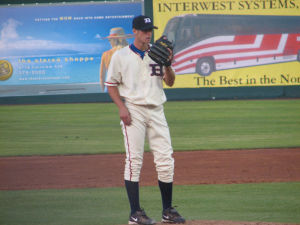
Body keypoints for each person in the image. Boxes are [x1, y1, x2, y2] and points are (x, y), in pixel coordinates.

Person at [105, 15, 185, 225]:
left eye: (150, 30)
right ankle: (135, 213)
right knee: (134, 161)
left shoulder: (158, 53)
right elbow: (111, 85)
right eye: (144, 30)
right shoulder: (120, 56)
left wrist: (168, 64)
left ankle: (167, 211)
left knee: (166, 160)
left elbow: (170, 82)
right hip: (134, 111)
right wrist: (121, 108)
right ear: (134, 31)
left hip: (157, 109)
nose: (148, 33)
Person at [99, 27, 132, 92]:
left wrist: (103, 91)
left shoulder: (106, 54)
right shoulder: (130, 52)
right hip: (127, 87)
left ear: (113, 40)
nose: (110, 42)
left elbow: (102, 76)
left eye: (110, 40)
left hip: (111, 87)